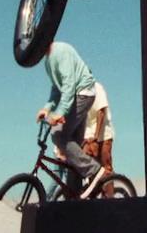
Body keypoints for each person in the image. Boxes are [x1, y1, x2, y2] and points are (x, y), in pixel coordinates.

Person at [35, 41, 105, 197]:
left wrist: (60, 112)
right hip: (76, 96)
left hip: (83, 93)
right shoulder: (48, 62)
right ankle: (75, 195)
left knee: (58, 134)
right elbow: (57, 89)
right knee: (72, 145)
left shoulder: (61, 52)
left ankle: (93, 170)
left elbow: (69, 85)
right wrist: (47, 108)